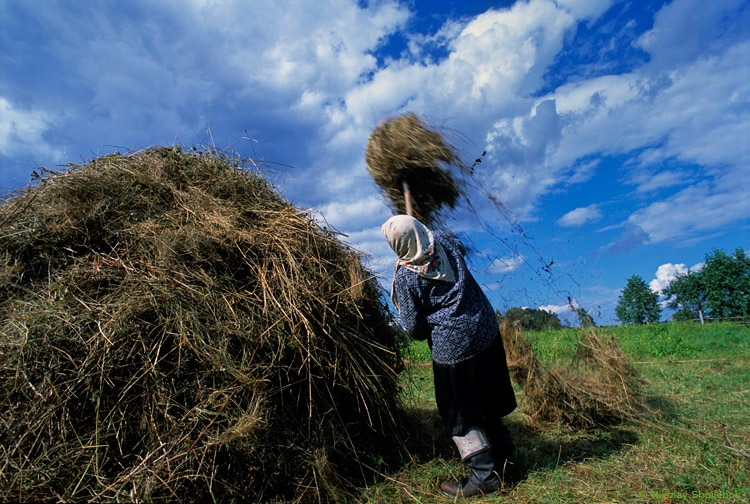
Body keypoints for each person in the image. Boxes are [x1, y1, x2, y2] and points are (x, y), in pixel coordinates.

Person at [382, 214, 517, 498]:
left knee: (458, 411)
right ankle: (506, 458)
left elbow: (415, 329)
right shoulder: (446, 242)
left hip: (454, 349)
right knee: (486, 395)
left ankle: (484, 475)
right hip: (486, 330)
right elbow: (447, 236)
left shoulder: (406, 276)